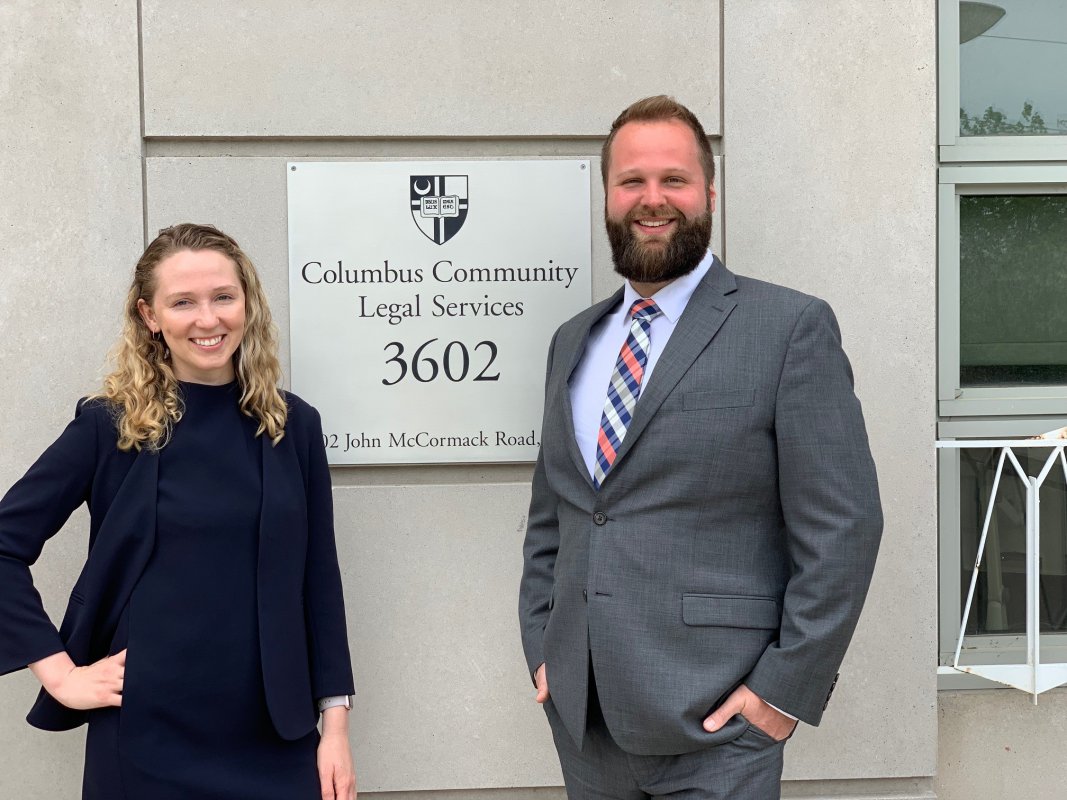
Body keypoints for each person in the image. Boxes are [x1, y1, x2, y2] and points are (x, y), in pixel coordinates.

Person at [518, 96, 883, 799]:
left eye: (673, 180)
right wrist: (545, 650)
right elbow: (553, 519)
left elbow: (843, 526)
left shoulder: (787, 328)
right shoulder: (574, 340)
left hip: (719, 732)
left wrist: (781, 693)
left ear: (708, 193)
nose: (651, 200)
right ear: (606, 197)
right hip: (586, 727)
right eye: (630, 182)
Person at [0, 224, 356, 800]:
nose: (208, 320)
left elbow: (320, 582)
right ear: (150, 316)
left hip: (276, 737)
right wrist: (61, 673)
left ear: (248, 304)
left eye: (223, 297)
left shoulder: (295, 427)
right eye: (183, 302)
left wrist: (335, 727)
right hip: (146, 736)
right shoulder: (109, 426)